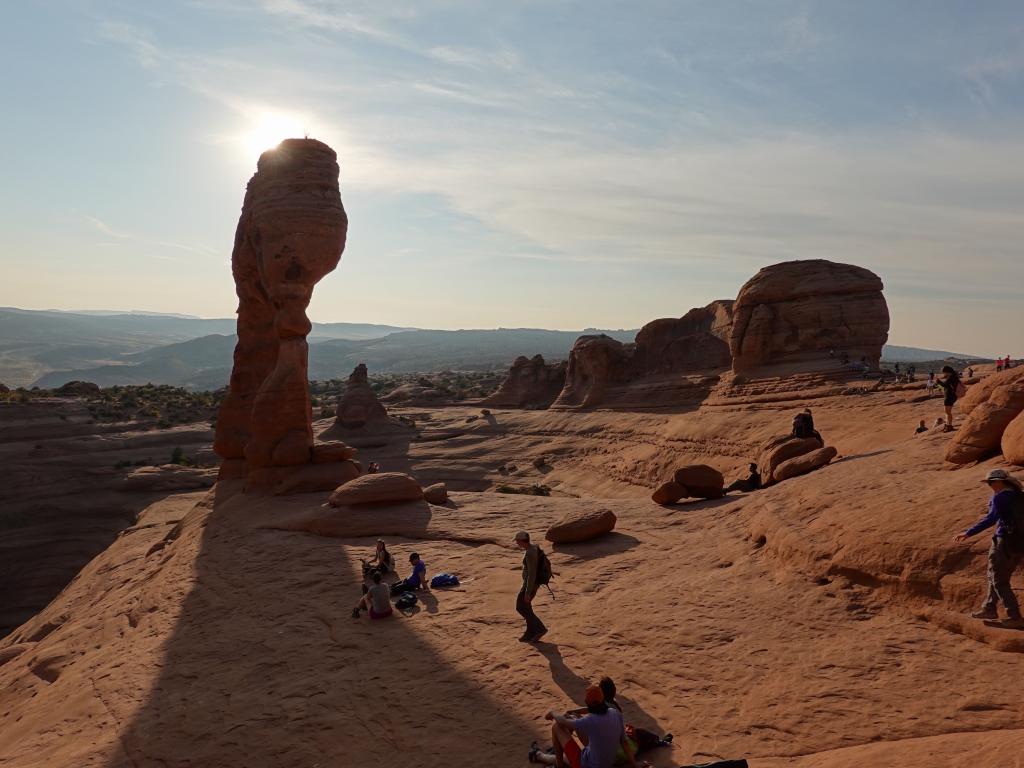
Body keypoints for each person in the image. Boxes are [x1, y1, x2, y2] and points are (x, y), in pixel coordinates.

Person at [953, 469, 1024, 628]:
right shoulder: (1019, 495)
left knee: (999, 580)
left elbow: (991, 519)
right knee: (994, 574)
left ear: (999, 481)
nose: (990, 486)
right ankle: (989, 608)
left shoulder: (1000, 497)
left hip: (1004, 542)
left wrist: (968, 533)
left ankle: (1015, 617)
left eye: (991, 482)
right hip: (1018, 544)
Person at [529, 684, 646, 768]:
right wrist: (635, 764)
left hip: (585, 764)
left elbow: (562, 722)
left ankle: (551, 760)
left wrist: (553, 713)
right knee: (573, 720)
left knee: (556, 727)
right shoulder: (614, 713)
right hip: (605, 762)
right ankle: (539, 755)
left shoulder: (590, 721)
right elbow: (624, 742)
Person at [514, 530, 548, 643]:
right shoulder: (534, 548)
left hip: (530, 586)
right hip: (532, 584)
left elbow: (532, 574)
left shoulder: (530, 553)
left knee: (520, 607)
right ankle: (529, 632)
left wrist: (528, 592)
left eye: (517, 541)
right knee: (526, 608)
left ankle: (540, 629)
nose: (517, 543)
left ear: (521, 541)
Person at [933, 365, 962, 430]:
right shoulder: (954, 376)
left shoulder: (951, 378)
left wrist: (938, 381)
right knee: (948, 412)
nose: (944, 373)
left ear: (947, 371)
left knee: (947, 412)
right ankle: (948, 425)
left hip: (949, 396)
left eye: (944, 372)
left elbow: (945, 385)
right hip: (952, 396)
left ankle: (949, 426)